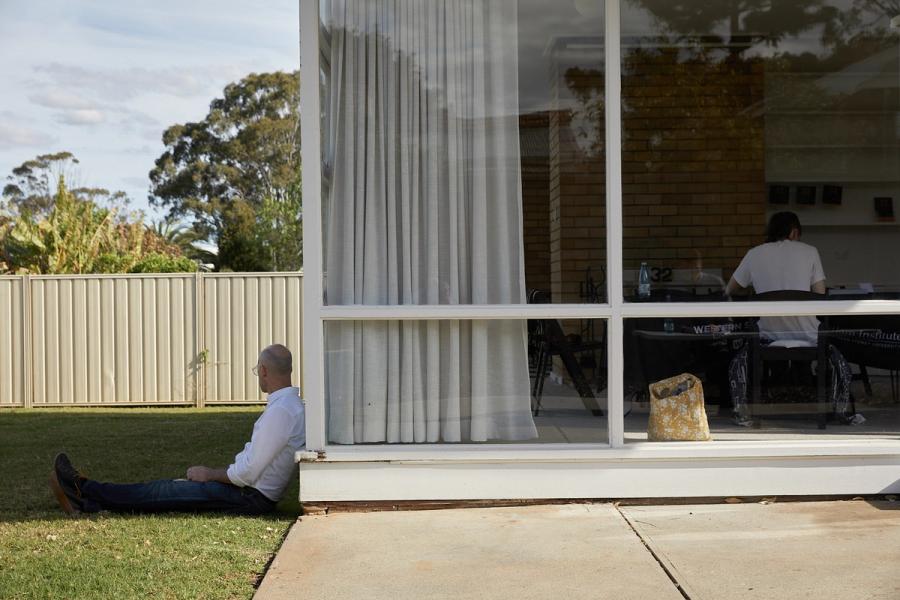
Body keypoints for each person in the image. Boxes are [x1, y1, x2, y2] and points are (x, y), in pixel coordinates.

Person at [49, 344, 305, 515]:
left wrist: (210, 474)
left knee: (163, 491)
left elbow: (248, 473)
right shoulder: (288, 406)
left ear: (263, 371)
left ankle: (83, 489)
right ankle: (91, 499)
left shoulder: (282, 411)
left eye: (256, 371)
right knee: (168, 489)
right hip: (248, 494)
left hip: (249, 498)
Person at [724, 212, 853, 426]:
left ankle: (750, 410)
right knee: (838, 359)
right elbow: (820, 295)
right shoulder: (810, 252)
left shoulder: (754, 254)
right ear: (794, 232)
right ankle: (829, 409)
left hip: (766, 336)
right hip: (810, 336)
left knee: (737, 361)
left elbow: (730, 288)